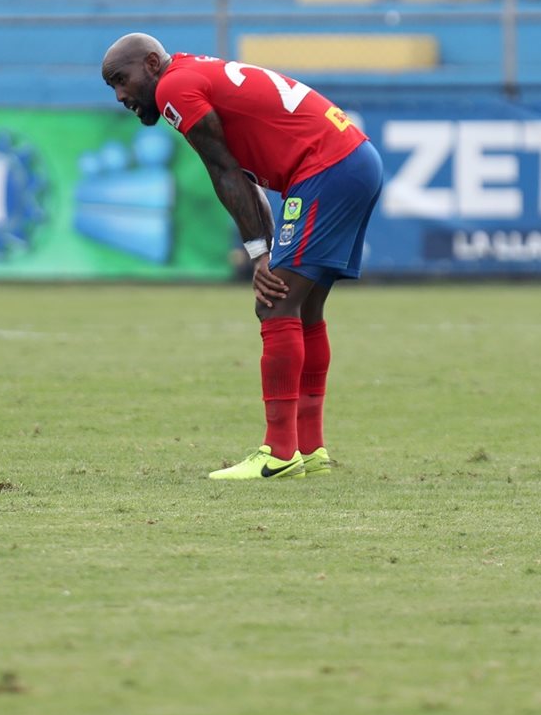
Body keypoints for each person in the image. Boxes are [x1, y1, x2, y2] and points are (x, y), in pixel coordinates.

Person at [101, 33, 383, 481]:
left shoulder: (174, 87)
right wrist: (266, 246)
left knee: (273, 302)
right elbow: (240, 171)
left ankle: (279, 451)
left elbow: (224, 170)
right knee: (304, 307)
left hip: (326, 167)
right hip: (351, 158)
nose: (119, 95)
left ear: (152, 63)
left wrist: (257, 253)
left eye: (121, 79)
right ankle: (309, 449)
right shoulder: (191, 72)